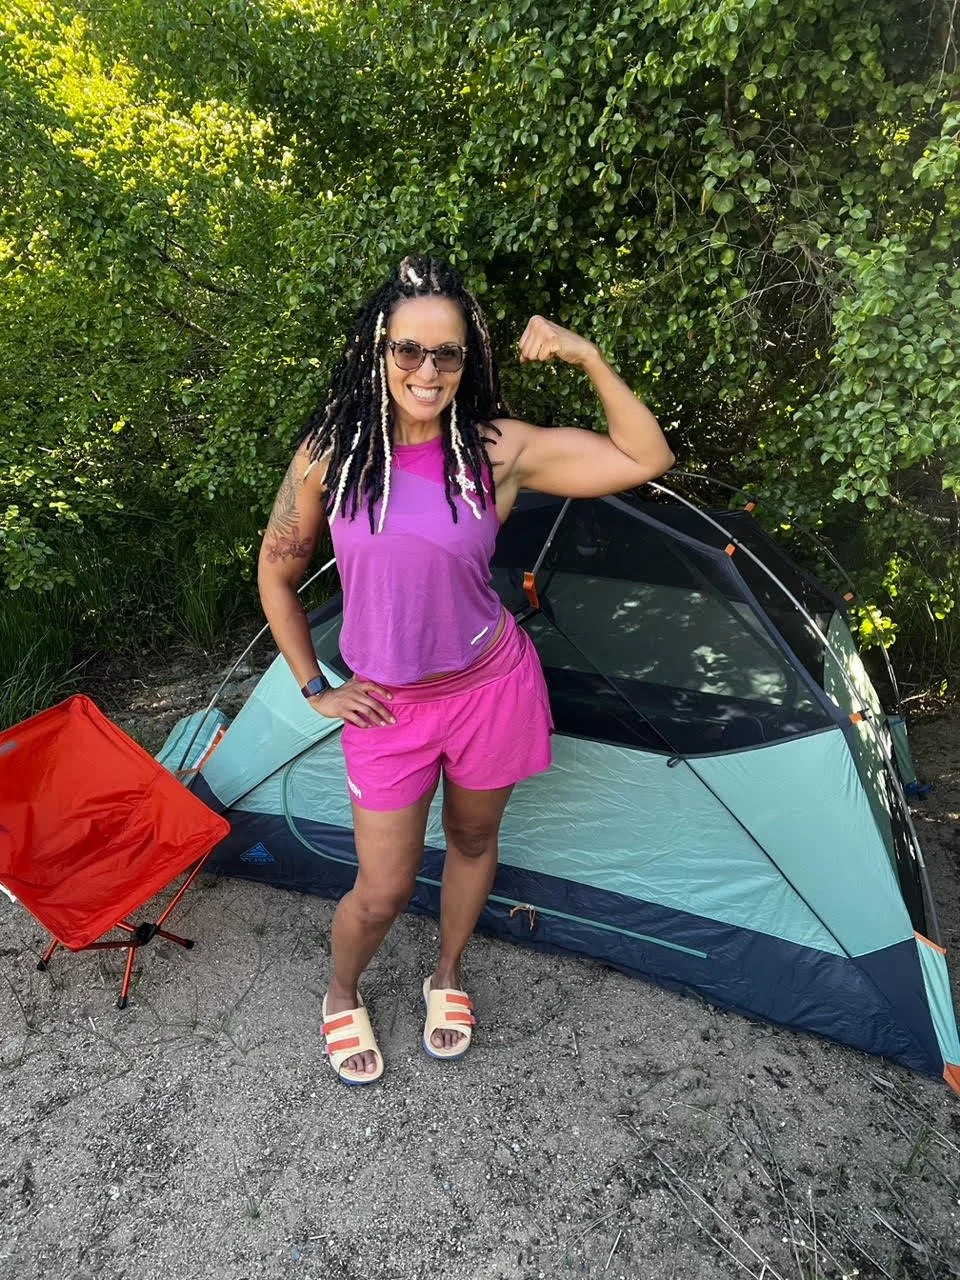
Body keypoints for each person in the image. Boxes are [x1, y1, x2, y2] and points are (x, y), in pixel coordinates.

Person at [257, 255, 674, 1085]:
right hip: (388, 710)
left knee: (475, 838)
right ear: (378, 351)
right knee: (381, 890)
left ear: (468, 363)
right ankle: (343, 994)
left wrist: (587, 355)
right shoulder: (329, 455)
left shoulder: (495, 450)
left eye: (447, 355)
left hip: (490, 688)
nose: (426, 371)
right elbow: (276, 570)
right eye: (409, 350)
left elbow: (644, 456)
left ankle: (445, 972)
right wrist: (315, 686)